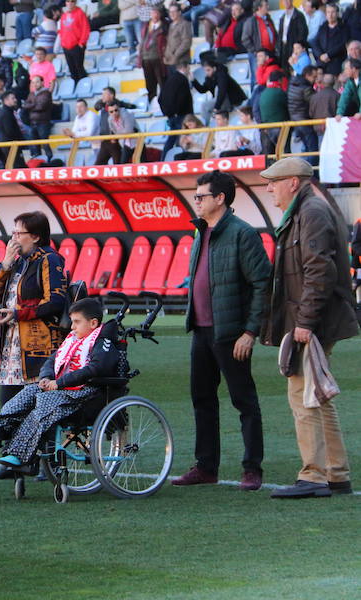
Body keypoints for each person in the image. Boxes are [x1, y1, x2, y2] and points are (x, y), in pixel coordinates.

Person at [259, 157, 359, 498]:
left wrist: (304, 323)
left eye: (274, 181)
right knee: (316, 395)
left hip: (313, 322)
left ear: (294, 183)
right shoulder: (310, 209)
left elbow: (319, 271)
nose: (269, 188)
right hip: (316, 320)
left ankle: (313, 475)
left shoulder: (311, 212)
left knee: (302, 395)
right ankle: (336, 472)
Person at [171, 170, 270, 492]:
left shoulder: (243, 234)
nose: (195, 201)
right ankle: (206, 466)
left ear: (220, 199)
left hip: (231, 334)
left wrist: (250, 332)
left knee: (244, 401)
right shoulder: (201, 233)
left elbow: (262, 285)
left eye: (200, 196)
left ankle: (252, 469)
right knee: (202, 399)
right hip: (201, 331)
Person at [0, 298, 116, 468]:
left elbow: (95, 369)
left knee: (44, 402)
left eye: (76, 322)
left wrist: (59, 383)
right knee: (27, 393)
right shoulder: (72, 340)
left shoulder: (102, 342)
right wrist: (46, 378)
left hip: (84, 393)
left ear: (93, 323)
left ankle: (17, 453)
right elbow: (51, 361)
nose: (72, 327)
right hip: (62, 387)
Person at [0, 211, 68, 479]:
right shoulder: (17, 262)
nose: (14, 238)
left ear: (36, 236)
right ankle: (13, 461)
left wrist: (18, 313)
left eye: (19, 233)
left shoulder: (50, 260)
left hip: (39, 345)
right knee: (10, 404)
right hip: (12, 346)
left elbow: (56, 301)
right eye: (14, 233)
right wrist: (5, 263)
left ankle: (49, 462)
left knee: (43, 405)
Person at [159, 61, 194, 158]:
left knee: (171, 139)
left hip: (172, 115)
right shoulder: (182, 79)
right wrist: (178, 112)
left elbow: (160, 98)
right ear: (185, 67)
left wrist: (168, 113)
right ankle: (180, 160)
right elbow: (182, 98)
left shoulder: (169, 79)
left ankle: (163, 159)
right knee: (182, 140)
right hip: (182, 115)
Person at [242, 0, 277, 89]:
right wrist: (255, 52)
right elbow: (245, 39)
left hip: (270, 54)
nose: (268, 7)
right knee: (257, 78)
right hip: (257, 55)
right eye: (265, 6)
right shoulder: (251, 21)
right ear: (259, 8)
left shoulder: (268, 19)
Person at [138, 5, 167, 103]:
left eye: (156, 13)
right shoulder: (146, 26)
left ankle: (164, 102)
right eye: (152, 13)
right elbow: (142, 42)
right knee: (150, 84)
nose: (154, 15)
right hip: (146, 59)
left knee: (162, 82)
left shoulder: (164, 26)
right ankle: (151, 102)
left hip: (158, 58)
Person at [56, 0, 90, 83]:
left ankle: (84, 87)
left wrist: (82, 43)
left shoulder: (80, 13)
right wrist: (63, 42)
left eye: (72, 1)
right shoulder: (64, 15)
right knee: (72, 69)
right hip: (66, 46)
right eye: (68, 1)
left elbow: (85, 29)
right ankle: (76, 88)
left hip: (76, 45)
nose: (70, 3)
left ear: (75, 3)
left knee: (79, 68)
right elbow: (61, 30)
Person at [311, 3, 348, 77]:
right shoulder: (323, 27)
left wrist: (328, 55)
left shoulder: (344, 27)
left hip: (337, 64)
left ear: (337, 13)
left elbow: (343, 44)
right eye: (328, 12)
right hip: (322, 65)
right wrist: (320, 55)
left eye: (333, 12)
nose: (330, 15)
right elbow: (315, 42)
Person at [23, 75, 53, 159]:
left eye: (37, 82)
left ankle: (50, 161)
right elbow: (25, 105)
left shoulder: (46, 93)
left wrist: (31, 105)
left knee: (45, 144)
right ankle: (38, 162)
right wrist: (34, 104)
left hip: (43, 122)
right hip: (33, 122)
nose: (35, 84)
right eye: (33, 82)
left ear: (42, 83)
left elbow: (41, 106)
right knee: (35, 145)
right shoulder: (31, 94)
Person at [63, 99, 100, 166]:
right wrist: (70, 134)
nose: (79, 109)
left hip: (103, 143)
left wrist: (73, 134)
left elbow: (89, 133)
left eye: (81, 106)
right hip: (94, 144)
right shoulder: (77, 117)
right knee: (100, 164)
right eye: (77, 107)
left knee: (101, 164)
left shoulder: (91, 116)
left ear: (86, 107)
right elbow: (74, 131)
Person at [276, 1, 309, 70]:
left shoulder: (299, 15)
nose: (286, 2)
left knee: (294, 70)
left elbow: (303, 33)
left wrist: (297, 49)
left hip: (294, 48)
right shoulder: (282, 17)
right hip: (283, 48)